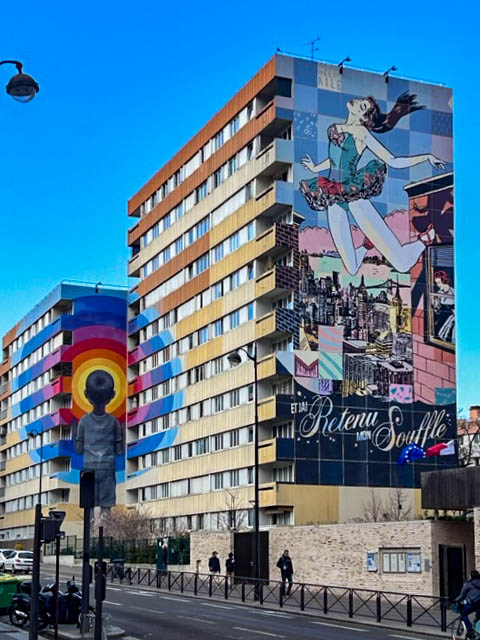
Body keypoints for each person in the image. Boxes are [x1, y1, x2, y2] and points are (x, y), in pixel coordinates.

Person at [299, 92, 446, 276]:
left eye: (362, 106)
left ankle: (424, 240)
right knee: (352, 268)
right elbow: (334, 159)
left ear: (363, 118)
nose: (358, 101)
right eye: (362, 101)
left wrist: (426, 157)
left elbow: (392, 160)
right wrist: (315, 168)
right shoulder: (336, 128)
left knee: (401, 264)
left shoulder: (362, 133)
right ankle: (367, 245)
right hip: (332, 195)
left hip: (353, 193)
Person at [74, 370, 123, 510]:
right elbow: (119, 451)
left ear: (86, 395)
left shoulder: (83, 421)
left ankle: (89, 525)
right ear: (112, 396)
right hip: (108, 468)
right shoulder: (114, 422)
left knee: (88, 506)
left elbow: (78, 450)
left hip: (88, 468)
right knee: (106, 507)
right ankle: (106, 526)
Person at [455, 569, 480, 638]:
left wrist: (455, 600)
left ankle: (470, 630)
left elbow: (462, 596)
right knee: (478, 617)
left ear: (471, 576)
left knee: (463, 613)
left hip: (474, 603)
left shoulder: (468, 584)